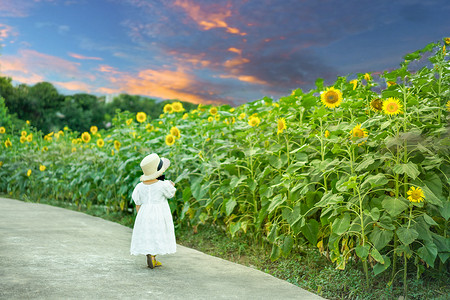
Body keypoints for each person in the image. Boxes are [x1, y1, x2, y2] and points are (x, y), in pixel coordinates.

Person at [130, 153, 177, 268]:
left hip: (144, 213)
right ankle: (154, 257)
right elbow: (171, 193)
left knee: (148, 235)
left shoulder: (139, 187)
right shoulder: (163, 185)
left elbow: (137, 203)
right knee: (158, 235)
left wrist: (140, 216)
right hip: (160, 215)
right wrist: (172, 185)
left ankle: (150, 255)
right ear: (159, 172)